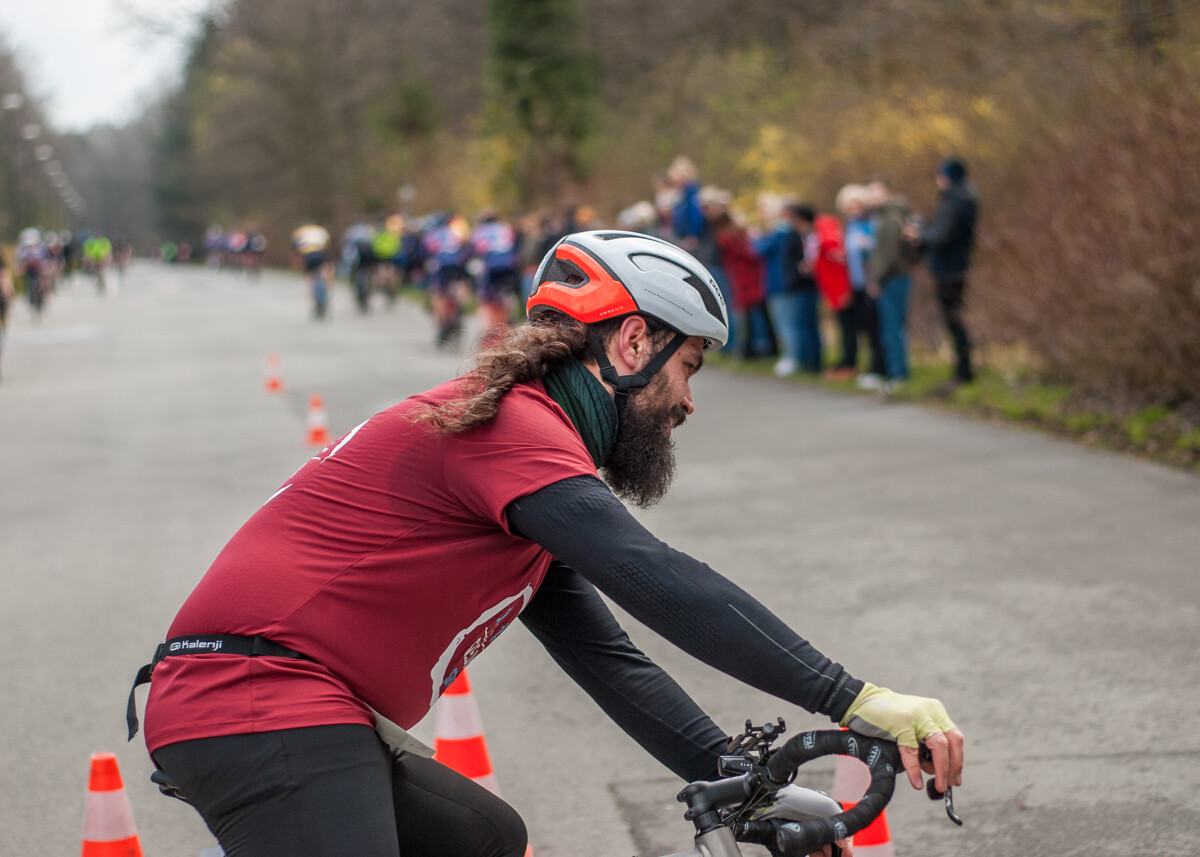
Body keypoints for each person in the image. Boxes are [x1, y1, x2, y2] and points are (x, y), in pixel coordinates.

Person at [128, 231, 964, 857]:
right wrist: (853, 697)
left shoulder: (527, 464)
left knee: (486, 840)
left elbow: (607, 657)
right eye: (690, 368)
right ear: (635, 343)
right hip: (256, 703)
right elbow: (652, 575)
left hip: (296, 711)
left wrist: (745, 788)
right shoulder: (513, 430)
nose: (688, 402)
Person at [907, 158, 979, 385]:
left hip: (948, 269)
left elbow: (941, 236)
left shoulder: (953, 201)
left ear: (945, 177)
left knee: (953, 319)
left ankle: (963, 372)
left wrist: (919, 235)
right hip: (957, 266)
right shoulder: (967, 198)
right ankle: (963, 369)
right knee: (955, 318)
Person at [867, 178, 917, 392]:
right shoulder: (888, 215)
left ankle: (897, 375)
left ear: (887, 192)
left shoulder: (890, 217)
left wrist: (877, 280)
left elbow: (889, 256)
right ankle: (897, 372)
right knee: (893, 327)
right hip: (896, 277)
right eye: (870, 192)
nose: (873, 197)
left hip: (892, 279)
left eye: (877, 192)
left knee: (891, 328)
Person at [291, 221, 333, 320]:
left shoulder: (299, 232)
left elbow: (296, 251)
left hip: (309, 256)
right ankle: (326, 289)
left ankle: (314, 300)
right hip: (322, 254)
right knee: (325, 275)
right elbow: (328, 246)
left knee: (310, 279)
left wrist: (299, 266)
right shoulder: (321, 231)